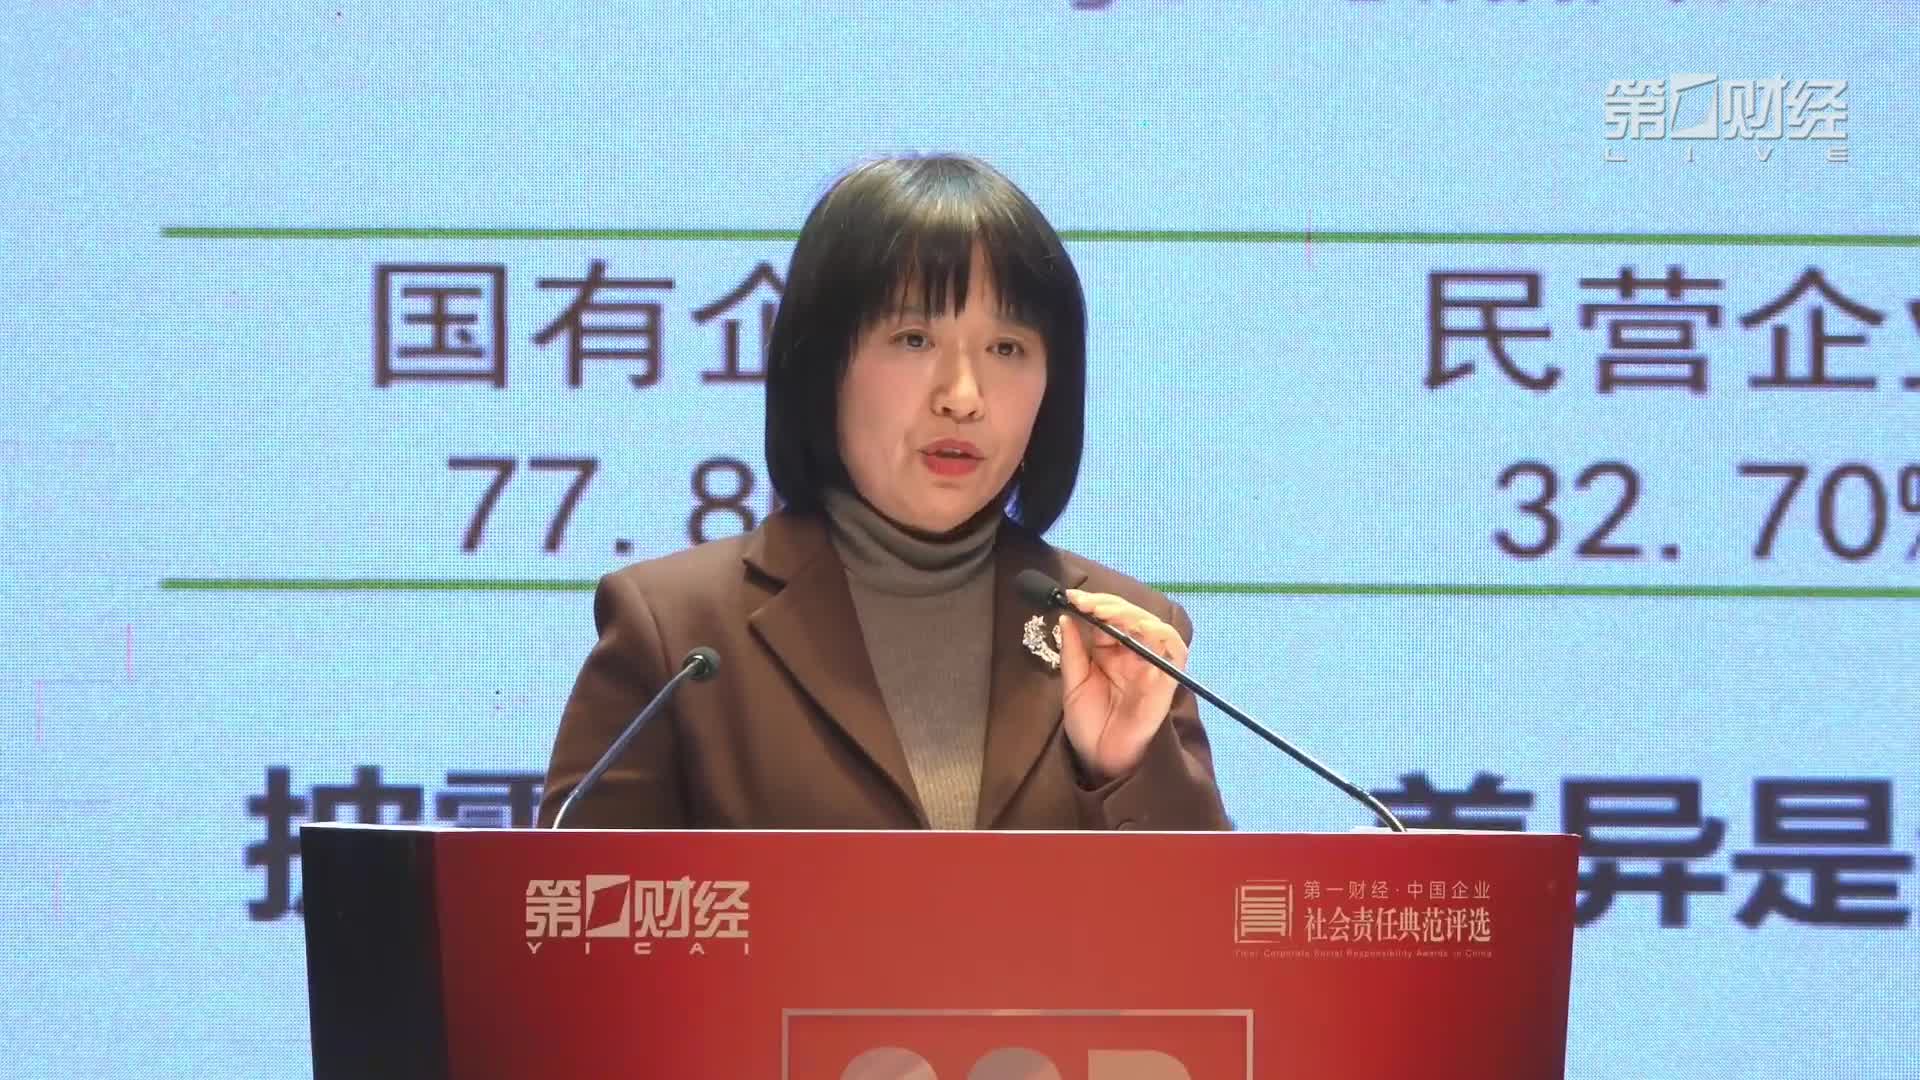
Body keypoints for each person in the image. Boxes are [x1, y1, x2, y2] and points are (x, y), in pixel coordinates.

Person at [535, 153, 1230, 831]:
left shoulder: (1124, 636)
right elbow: (574, 899)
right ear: (823, 365)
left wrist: (1125, 767)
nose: (963, 397)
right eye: (914, 338)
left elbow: (1211, 907)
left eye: (1007, 348)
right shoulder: (678, 634)